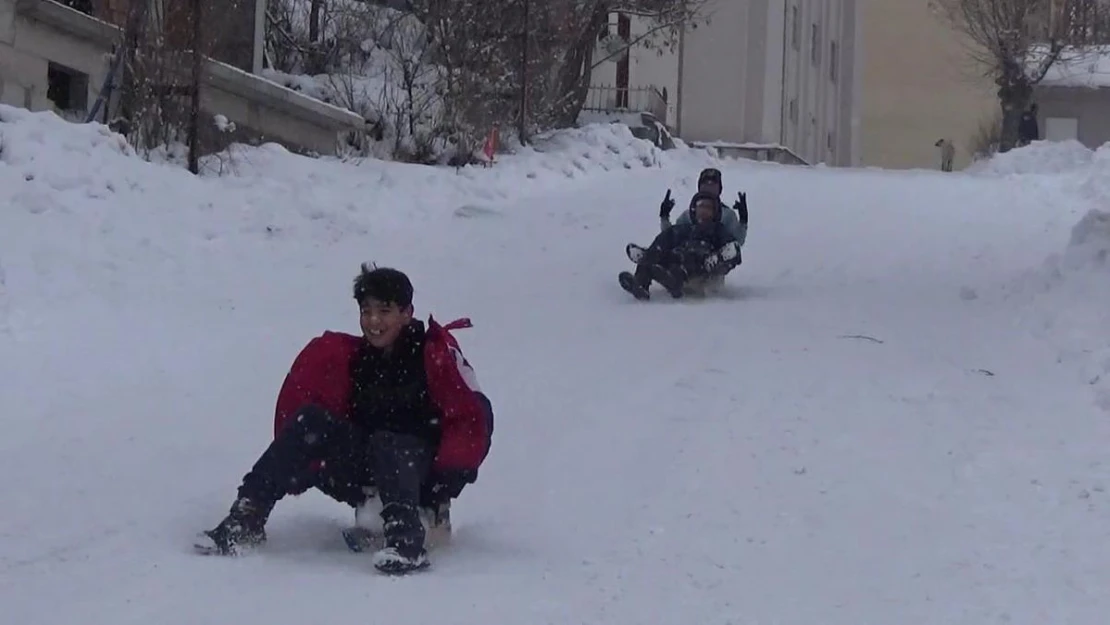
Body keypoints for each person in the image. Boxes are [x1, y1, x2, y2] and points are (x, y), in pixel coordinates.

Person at [195, 265, 494, 575]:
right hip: (369, 468)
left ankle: (406, 540)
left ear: (407, 313)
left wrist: (443, 486)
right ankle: (247, 516)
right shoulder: (355, 359)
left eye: (385, 311)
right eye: (366, 311)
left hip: (419, 473)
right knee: (312, 421)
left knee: (389, 440)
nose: (374, 321)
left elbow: (470, 418)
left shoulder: (433, 356)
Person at [619, 191, 742, 300]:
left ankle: (674, 281)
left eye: (708, 207)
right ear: (694, 209)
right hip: (677, 258)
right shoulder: (684, 228)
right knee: (664, 256)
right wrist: (654, 252)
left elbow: (733, 251)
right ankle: (641, 281)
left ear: (715, 212)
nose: (703, 210)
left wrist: (719, 258)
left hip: (701, 268)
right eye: (700, 206)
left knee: (688, 259)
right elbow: (665, 238)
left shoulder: (718, 231)